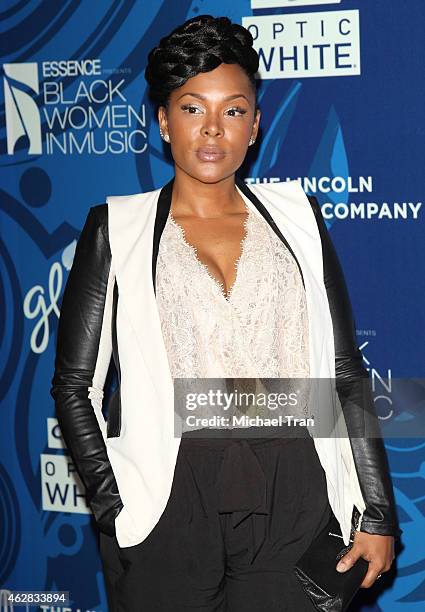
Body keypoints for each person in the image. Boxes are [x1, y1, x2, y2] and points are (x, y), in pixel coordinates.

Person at [50, 14, 402, 612]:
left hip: (296, 481)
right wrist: (114, 503)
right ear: (163, 120)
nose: (213, 130)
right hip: (169, 493)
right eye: (192, 108)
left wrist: (377, 510)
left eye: (233, 110)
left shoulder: (297, 218)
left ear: (256, 123)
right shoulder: (119, 228)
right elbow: (74, 385)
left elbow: (344, 371)